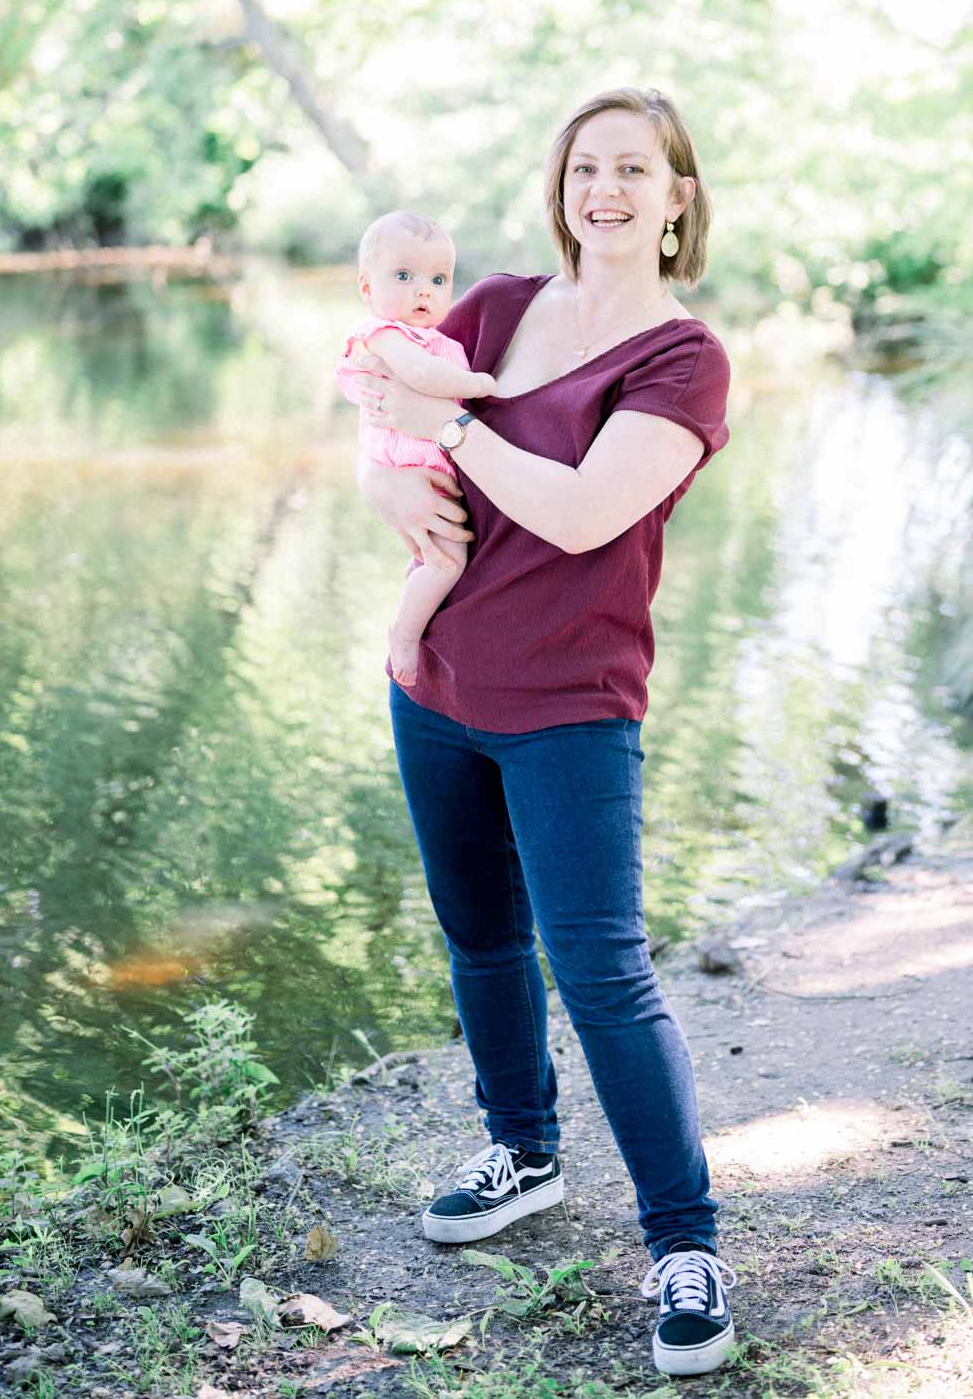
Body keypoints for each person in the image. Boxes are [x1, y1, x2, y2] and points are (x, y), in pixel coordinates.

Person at [348, 86, 737, 1377]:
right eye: (584, 168)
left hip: (571, 703)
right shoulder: (498, 306)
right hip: (438, 680)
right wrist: (385, 490)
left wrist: (453, 422)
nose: (605, 190)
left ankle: (685, 1245)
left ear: (679, 196)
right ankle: (521, 1148)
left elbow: (579, 516)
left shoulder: (683, 359)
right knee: (480, 941)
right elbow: (374, 415)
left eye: (635, 169)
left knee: (605, 971)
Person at [334, 210, 497, 686]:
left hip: (423, 460)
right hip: (406, 460)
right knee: (447, 562)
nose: (423, 290)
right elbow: (422, 377)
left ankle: (414, 618)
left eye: (438, 278)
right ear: (368, 288)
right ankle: (404, 635)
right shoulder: (382, 334)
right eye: (404, 276)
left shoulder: (431, 336)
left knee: (437, 556)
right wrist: (482, 383)